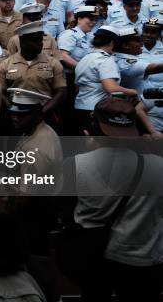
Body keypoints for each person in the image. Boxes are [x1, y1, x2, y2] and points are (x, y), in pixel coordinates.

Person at [71, 96, 163, 301]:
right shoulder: (158, 165)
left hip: (95, 255)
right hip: (145, 260)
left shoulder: (77, 164)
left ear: (94, 126)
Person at [74, 26, 137, 132]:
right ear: (112, 43)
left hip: (80, 106)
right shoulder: (106, 60)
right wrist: (132, 92)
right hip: (96, 109)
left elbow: (77, 88)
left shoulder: (85, 58)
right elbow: (111, 88)